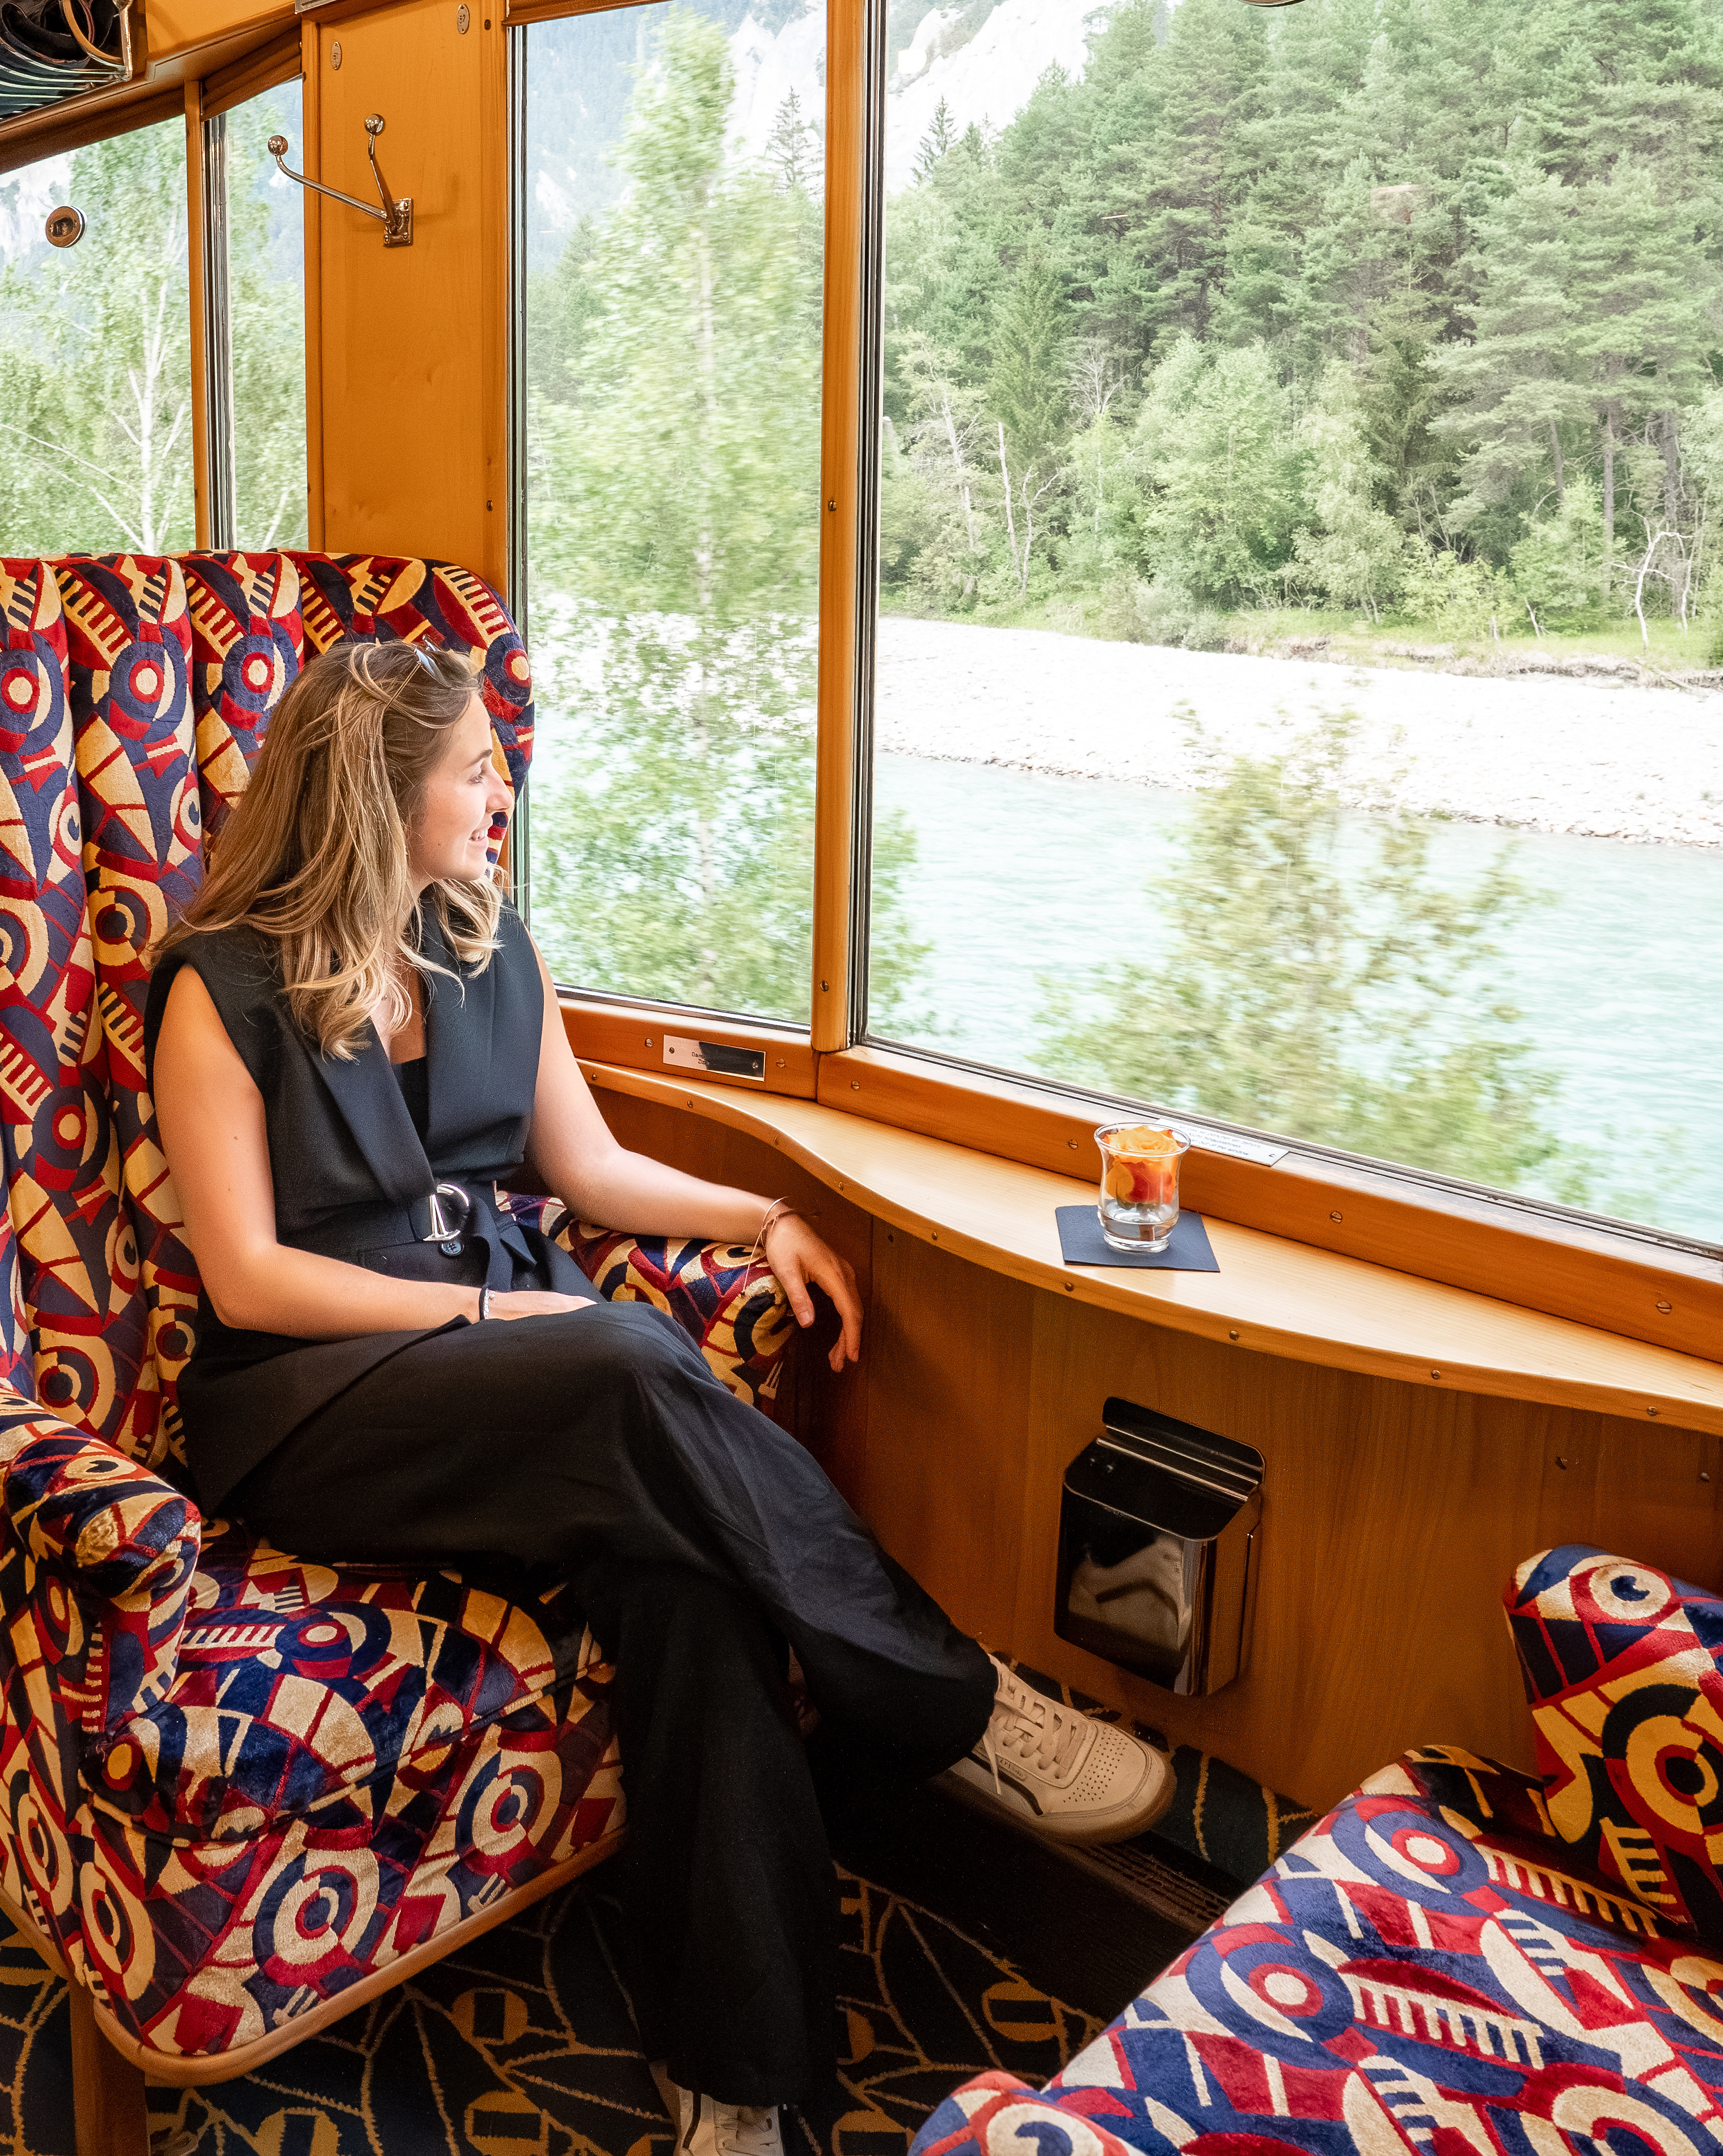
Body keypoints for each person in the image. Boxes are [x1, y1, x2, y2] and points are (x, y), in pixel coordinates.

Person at [148, 638, 1171, 2156]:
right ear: (378, 793)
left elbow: (593, 1168)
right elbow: (246, 1281)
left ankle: (739, 2075)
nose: (502, 794)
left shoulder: (497, 951)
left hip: (521, 1386)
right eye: (474, 774)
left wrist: (757, 1217)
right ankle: (957, 1701)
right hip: (315, 1404)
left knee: (689, 1586)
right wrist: (499, 1306)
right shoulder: (219, 986)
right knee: (621, 1355)